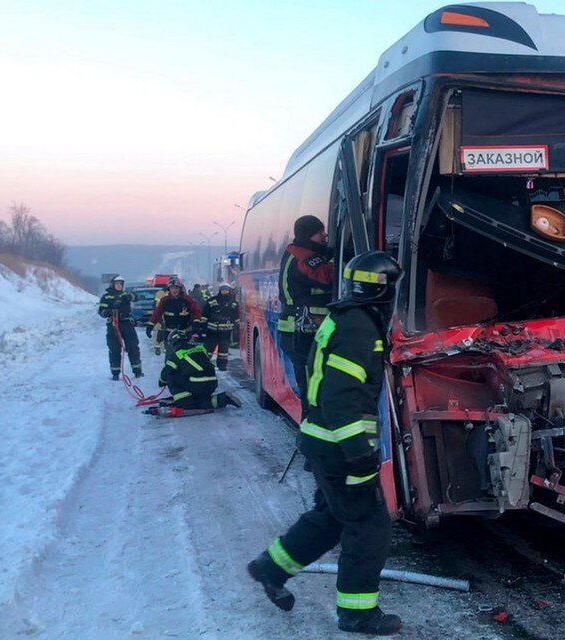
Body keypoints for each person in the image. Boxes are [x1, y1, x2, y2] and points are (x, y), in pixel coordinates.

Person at [247, 251, 402, 636]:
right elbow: (341, 397)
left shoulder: (346, 317)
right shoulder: (360, 330)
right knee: (369, 526)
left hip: (323, 441)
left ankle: (270, 568)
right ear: (384, 291)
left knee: (333, 517)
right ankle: (357, 614)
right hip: (338, 447)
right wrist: (360, 454)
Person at [277, 215, 334, 415]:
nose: (324, 235)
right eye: (320, 232)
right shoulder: (305, 257)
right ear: (308, 234)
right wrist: (343, 258)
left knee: (312, 385)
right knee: (313, 389)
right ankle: (310, 438)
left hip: (297, 332)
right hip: (302, 334)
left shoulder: (298, 252)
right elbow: (326, 277)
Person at [157, 331, 241, 411]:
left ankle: (185, 403)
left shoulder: (176, 355)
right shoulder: (200, 348)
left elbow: (165, 374)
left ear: (173, 343)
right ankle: (223, 399)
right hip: (211, 384)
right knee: (202, 403)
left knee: (171, 378)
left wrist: (161, 382)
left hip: (197, 384)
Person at [97, 275, 143, 380]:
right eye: (117, 284)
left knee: (133, 347)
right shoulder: (106, 296)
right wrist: (109, 311)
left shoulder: (125, 294)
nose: (119, 286)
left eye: (121, 284)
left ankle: (137, 371)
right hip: (113, 325)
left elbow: (136, 297)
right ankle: (115, 373)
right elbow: (101, 311)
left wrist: (129, 296)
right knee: (114, 349)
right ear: (113, 284)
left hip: (127, 323)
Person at [146, 277, 202, 347]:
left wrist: (196, 322)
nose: (174, 290)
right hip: (169, 332)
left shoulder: (187, 299)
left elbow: (196, 311)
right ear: (169, 289)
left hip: (185, 333)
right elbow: (157, 313)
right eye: (172, 288)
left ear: (180, 289)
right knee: (170, 354)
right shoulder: (164, 300)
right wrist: (150, 325)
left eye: (176, 288)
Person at [202, 283, 239, 371]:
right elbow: (205, 314)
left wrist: (237, 327)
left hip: (226, 331)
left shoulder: (233, 303)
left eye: (226, 290)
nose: (225, 291)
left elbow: (236, 315)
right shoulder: (212, 300)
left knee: (223, 351)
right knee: (208, 349)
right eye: (223, 290)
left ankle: (222, 365)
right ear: (220, 290)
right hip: (212, 330)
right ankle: (204, 364)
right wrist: (202, 326)